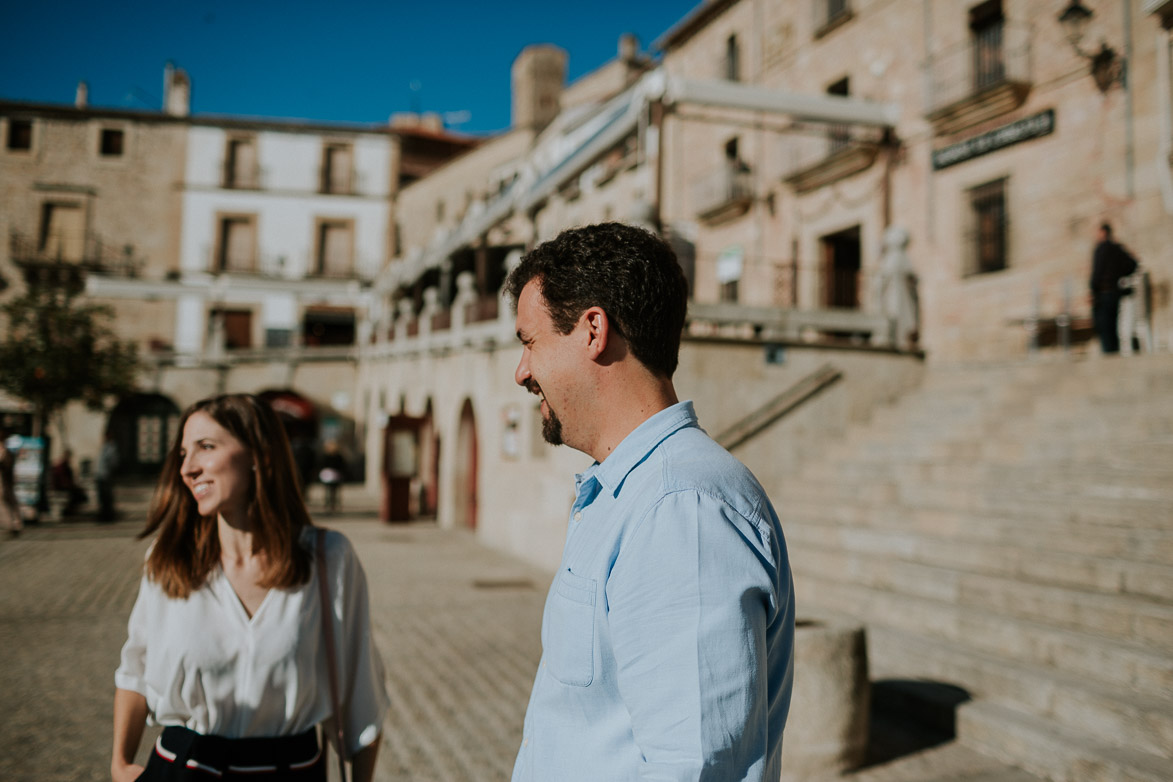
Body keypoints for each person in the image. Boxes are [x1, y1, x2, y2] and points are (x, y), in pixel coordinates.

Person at [504, 223, 795, 781]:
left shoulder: (680, 509)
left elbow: (696, 768)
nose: (522, 371)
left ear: (593, 330)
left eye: (529, 341)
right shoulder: (634, 492)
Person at [111, 394, 387, 782]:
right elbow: (135, 669)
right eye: (183, 454)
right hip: (183, 768)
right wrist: (120, 765)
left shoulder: (327, 559)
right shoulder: (169, 558)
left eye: (206, 447)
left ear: (260, 455)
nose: (188, 468)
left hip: (290, 770)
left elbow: (362, 697)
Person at [1089, 222, 1139, 355]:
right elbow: (1133, 265)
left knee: (1105, 328)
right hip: (1115, 293)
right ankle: (1115, 355)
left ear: (1103, 232)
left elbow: (1097, 273)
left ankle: (1110, 358)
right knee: (1113, 327)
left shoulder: (1101, 248)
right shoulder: (1117, 248)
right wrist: (1119, 273)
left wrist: (1093, 290)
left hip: (1104, 293)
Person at [51, 448, 87, 517]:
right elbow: (64, 481)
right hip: (61, 487)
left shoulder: (65, 465)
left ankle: (70, 509)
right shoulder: (62, 466)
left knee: (79, 493)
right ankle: (69, 510)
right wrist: (73, 486)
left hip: (64, 486)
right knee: (78, 494)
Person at [0, 431, 22, 537]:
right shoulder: (6, 451)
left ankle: (15, 525)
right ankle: (12, 525)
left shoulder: (7, 452)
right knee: (6, 503)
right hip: (4, 482)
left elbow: (7, 466)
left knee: (10, 503)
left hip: (6, 482)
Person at [95, 431, 119, 522]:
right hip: (100, 475)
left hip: (106, 476)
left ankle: (108, 516)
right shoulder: (104, 447)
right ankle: (104, 515)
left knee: (107, 497)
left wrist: (110, 473)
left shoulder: (111, 448)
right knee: (102, 497)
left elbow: (113, 463)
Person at [319, 441, 346, 514]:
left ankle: (327, 504)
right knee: (334, 491)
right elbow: (342, 466)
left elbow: (321, 465)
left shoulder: (326, 456)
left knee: (327, 491)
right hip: (336, 475)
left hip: (328, 475)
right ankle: (332, 505)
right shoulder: (338, 456)